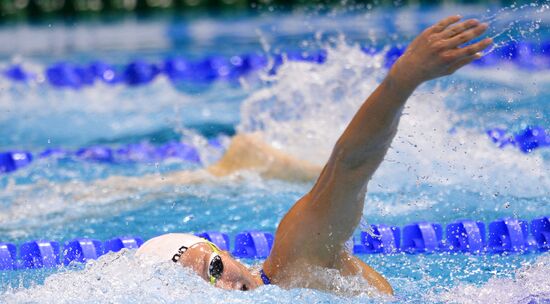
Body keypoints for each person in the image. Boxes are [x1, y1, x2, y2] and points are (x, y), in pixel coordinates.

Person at [139, 16, 492, 295]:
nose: (224, 288)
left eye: (214, 269)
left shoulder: (295, 259)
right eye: (201, 292)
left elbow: (349, 166)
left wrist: (401, 80)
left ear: (226, 253)